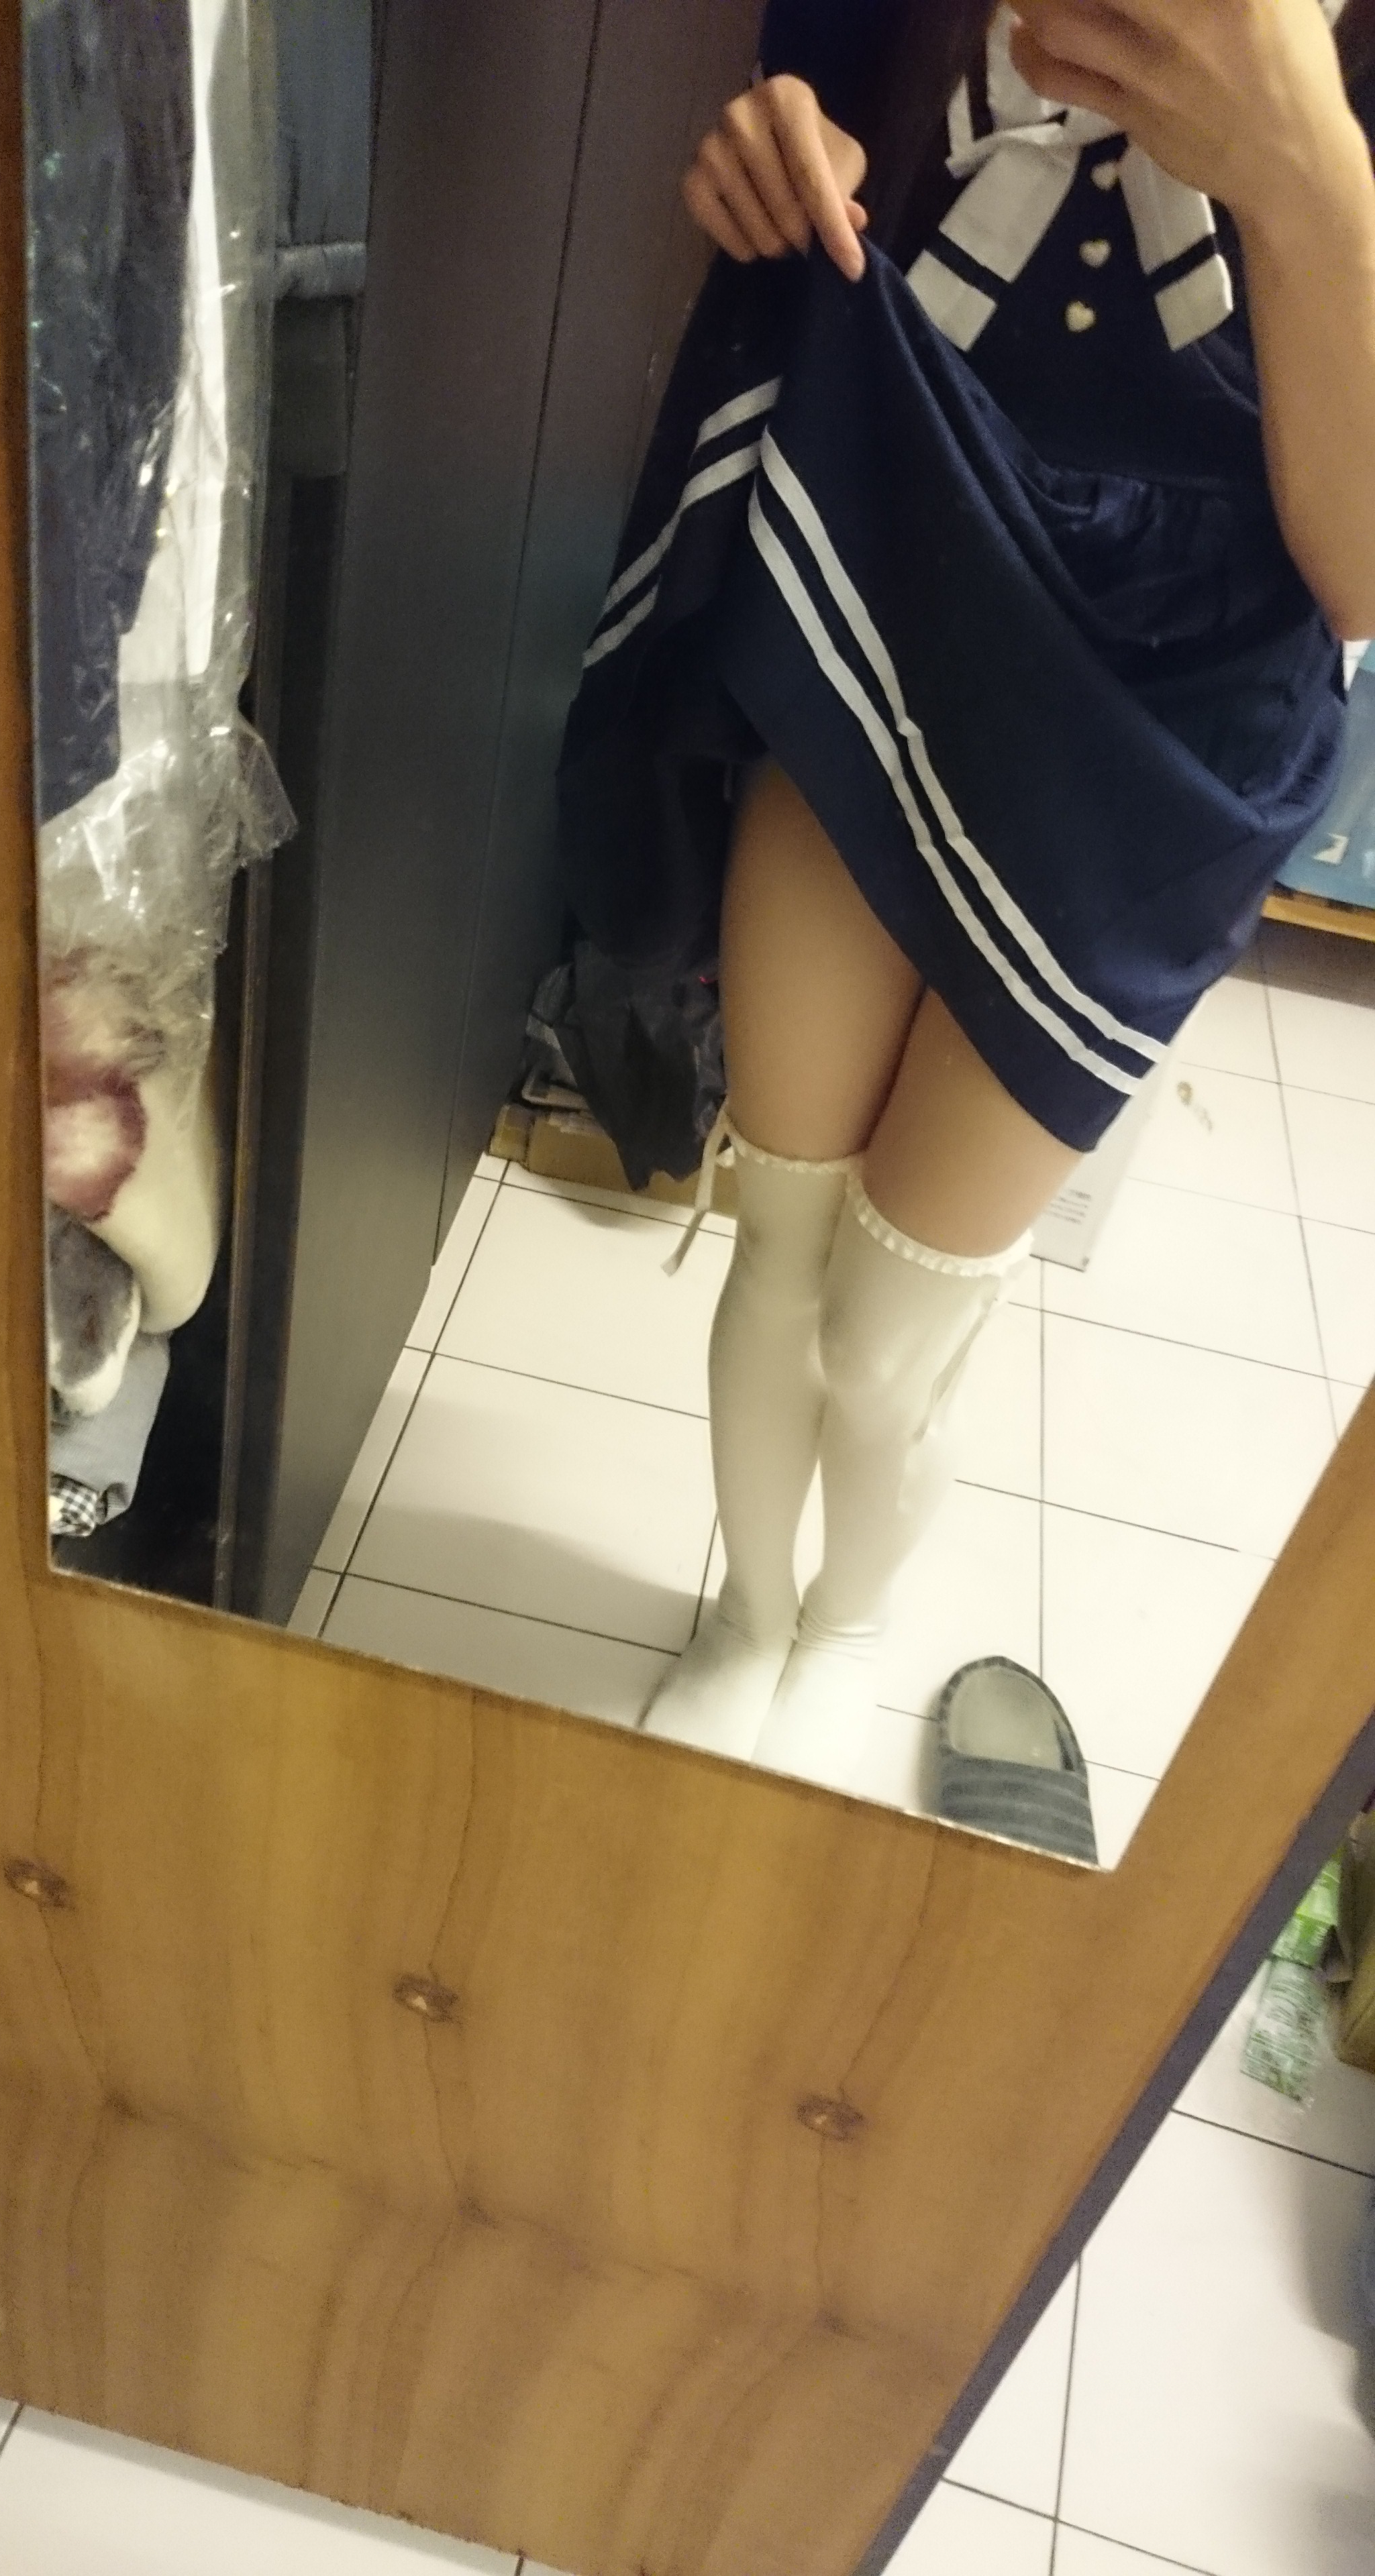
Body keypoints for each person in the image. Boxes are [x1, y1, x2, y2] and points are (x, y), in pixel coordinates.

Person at [558, 1, 1375, 1786]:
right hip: (900, 578)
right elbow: (790, 141)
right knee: (781, 1234)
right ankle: (748, 1614)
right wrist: (773, 152)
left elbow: (1364, 574)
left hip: (1176, 731)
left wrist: (1312, 177)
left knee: (891, 1327)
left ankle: (846, 1625)